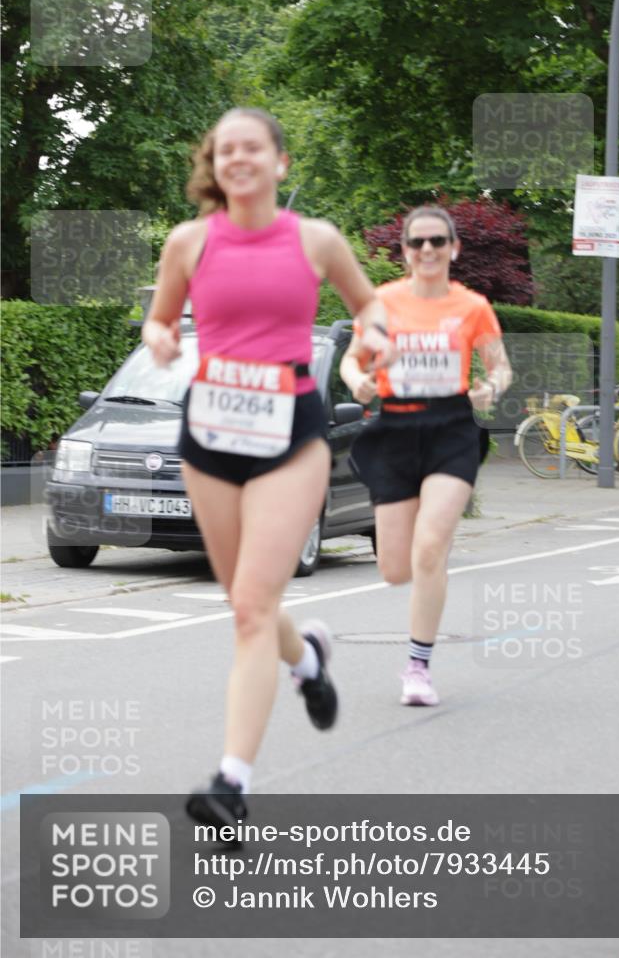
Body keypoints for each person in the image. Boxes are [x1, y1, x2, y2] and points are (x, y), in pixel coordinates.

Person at [142, 107, 394, 823]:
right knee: (246, 601)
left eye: (252, 147)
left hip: (289, 430)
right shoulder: (188, 242)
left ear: (279, 162)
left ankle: (230, 782)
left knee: (253, 606)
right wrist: (160, 338)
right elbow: (160, 317)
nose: (239, 158)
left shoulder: (315, 239)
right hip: (211, 431)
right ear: (214, 165)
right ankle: (307, 660)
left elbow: (369, 306)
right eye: (226, 149)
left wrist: (375, 337)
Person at [340, 205, 512, 707]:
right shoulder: (382, 302)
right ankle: (421, 574)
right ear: (405, 251)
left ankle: (418, 667)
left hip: (451, 429)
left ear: (454, 248)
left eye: (438, 241)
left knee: (431, 547)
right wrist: (359, 381)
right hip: (395, 427)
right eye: (418, 242)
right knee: (395, 569)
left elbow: (500, 366)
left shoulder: (473, 307)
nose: (428, 250)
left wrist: (490, 387)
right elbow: (352, 360)